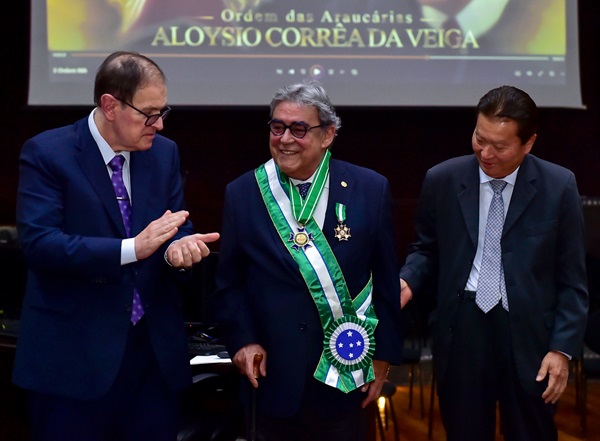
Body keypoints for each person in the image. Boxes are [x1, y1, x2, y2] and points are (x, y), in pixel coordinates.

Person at [12, 51, 220, 441]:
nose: (158, 124)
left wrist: (179, 248)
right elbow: (40, 244)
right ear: (110, 105)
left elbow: (175, 224)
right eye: (148, 113)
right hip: (74, 364)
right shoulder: (48, 153)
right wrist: (131, 249)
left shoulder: (163, 153)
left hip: (152, 361)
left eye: (163, 111)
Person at [212, 80, 404, 440]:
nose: (285, 139)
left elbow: (386, 279)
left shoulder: (370, 188)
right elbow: (229, 284)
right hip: (270, 380)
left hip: (346, 379)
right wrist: (242, 341)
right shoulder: (243, 193)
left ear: (328, 134)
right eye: (277, 126)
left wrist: (384, 358)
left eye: (299, 129)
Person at [399, 85, 589, 441]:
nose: (485, 153)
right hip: (462, 328)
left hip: (530, 334)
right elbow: (426, 249)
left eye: (499, 146)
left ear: (528, 143)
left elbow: (572, 279)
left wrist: (561, 349)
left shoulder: (558, 186)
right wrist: (407, 280)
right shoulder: (442, 179)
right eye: (478, 138)